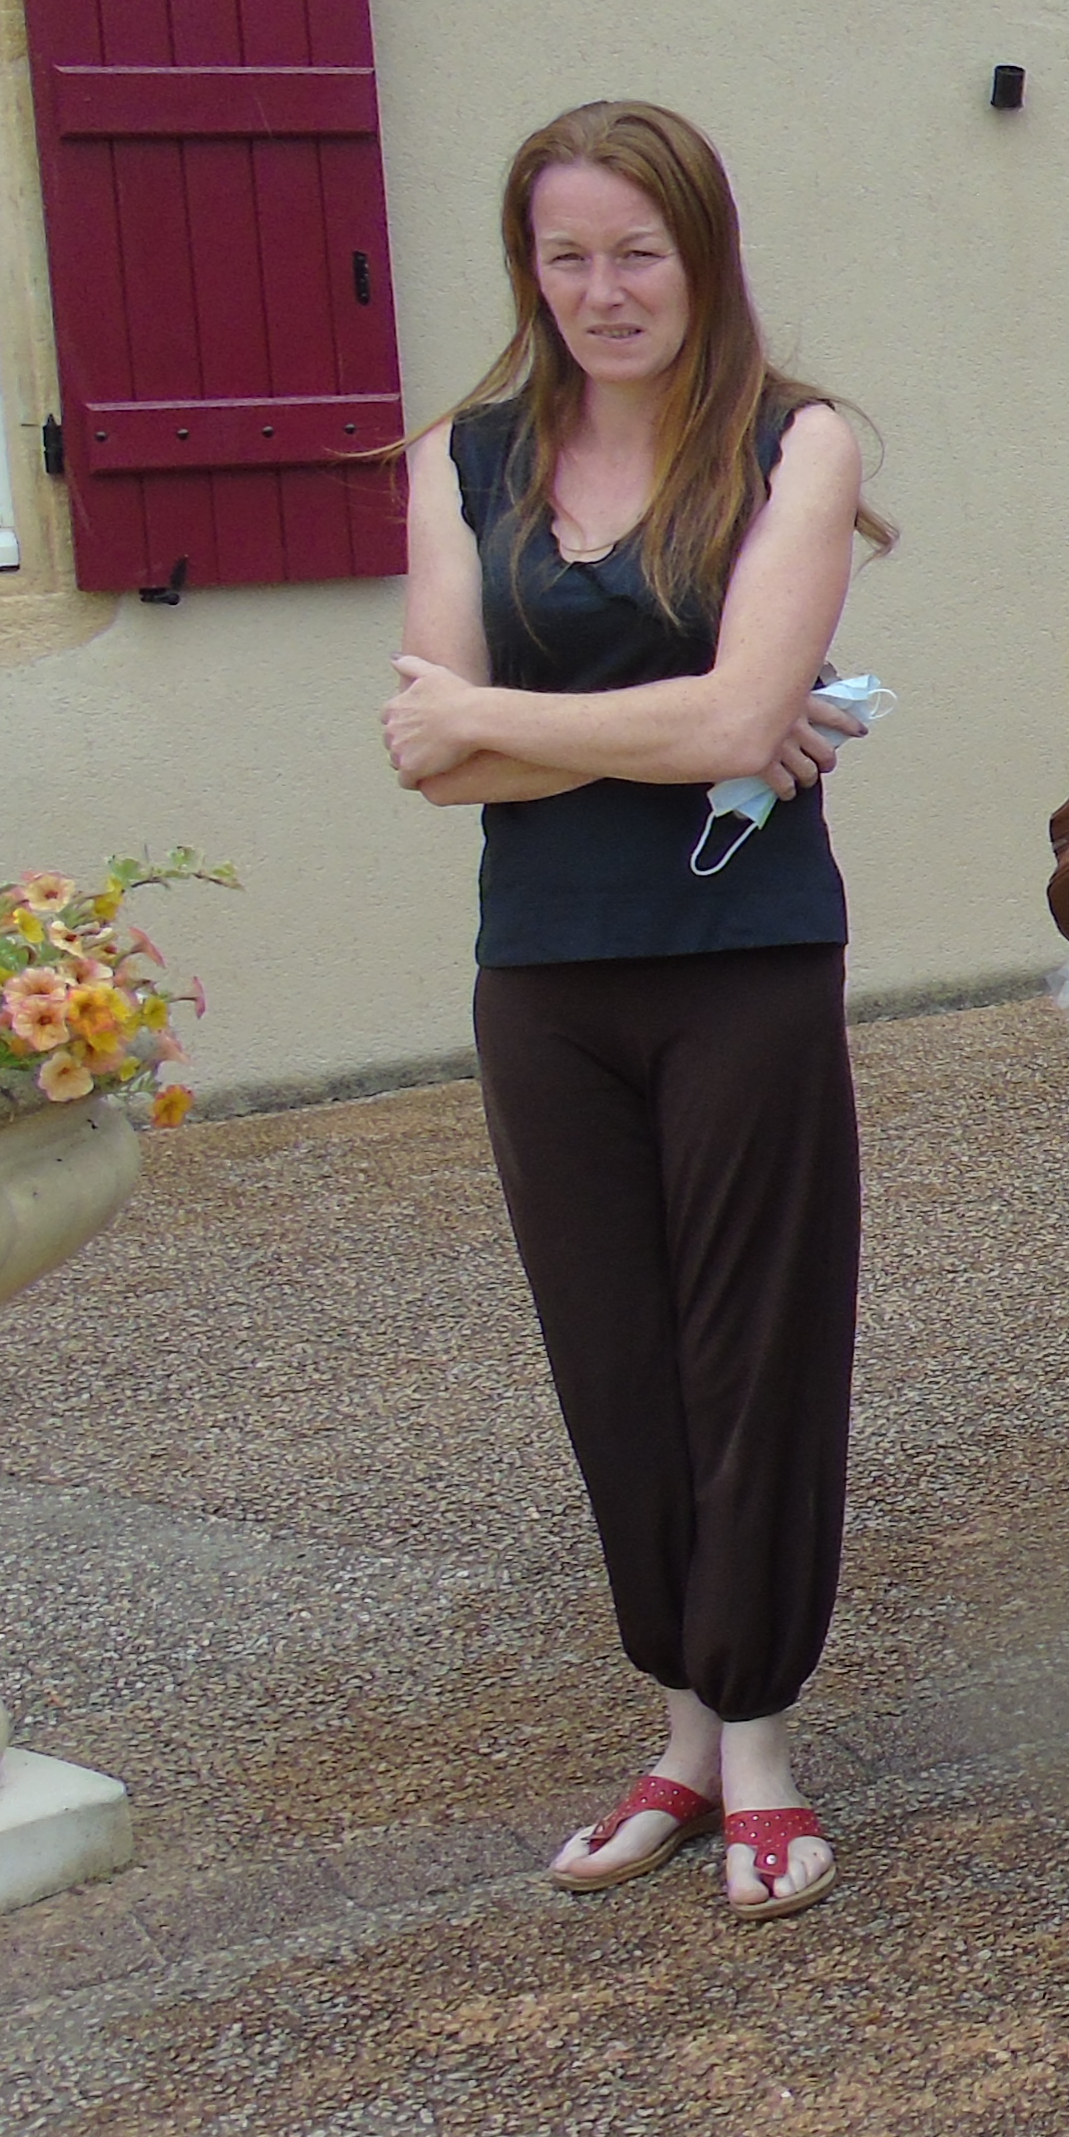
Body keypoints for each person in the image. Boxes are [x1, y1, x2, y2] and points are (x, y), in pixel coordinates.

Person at [382, 102, 887, 1926]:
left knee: (753, 1346)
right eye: (565, 253)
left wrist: (525, 724)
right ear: (530, 267)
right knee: (615, 1362)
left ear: (702, 252)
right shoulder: (465, 455)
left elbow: (711, 722)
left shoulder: (792, 441)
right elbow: (431, 764)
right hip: (544, 975)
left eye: (635, 251)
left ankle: (760, 1737)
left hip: (741, 957)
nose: (602, 288)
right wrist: (687, 717)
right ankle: (679, 1721)